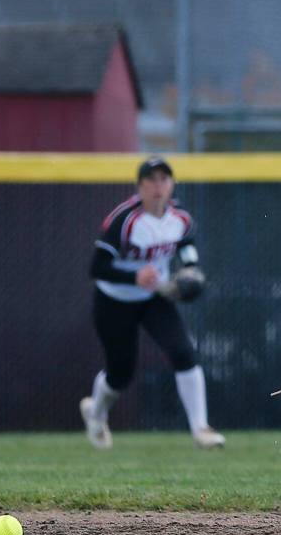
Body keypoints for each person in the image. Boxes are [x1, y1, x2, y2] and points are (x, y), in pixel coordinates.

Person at [79, 157, 225, 450]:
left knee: (183, 352)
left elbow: (186, 244)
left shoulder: (180, 217)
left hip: (153, 297)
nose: (158, 186)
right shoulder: (125, 219)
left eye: (163, 179)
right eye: (151, 180)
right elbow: (96, 268)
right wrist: (134, 276)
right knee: (121, 373)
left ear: (172, 184)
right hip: (114, 301)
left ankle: (201, 429)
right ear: (140, 186)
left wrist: (190, 268)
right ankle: (95, 413)